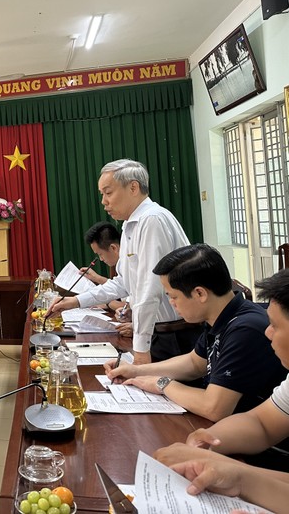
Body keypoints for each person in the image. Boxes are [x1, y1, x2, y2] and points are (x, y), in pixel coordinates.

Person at [104, 244, 286, 421]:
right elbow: (194, 363)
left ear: (200, 293)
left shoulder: (245, 329)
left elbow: (214, 407)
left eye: (173, 296)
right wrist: (136, 371)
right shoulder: (220, 316)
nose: (171, 304)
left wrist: (162, 383)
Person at [49, 159, 196, 364]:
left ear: (133, 187)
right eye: (102, 194)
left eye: (108, 193)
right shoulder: (130, 225)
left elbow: (149, 289)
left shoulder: (152, 220)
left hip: (174, 333)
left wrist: (141, 348)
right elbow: (123, 282)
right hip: (156, 331)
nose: (104, 201)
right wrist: (75, 301)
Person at [155, 269, 289, 472]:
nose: (267, 333)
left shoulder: (247, 328)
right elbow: (261, 422)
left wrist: (237, 475)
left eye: (274, 325)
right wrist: (208, 441)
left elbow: (215, 407)